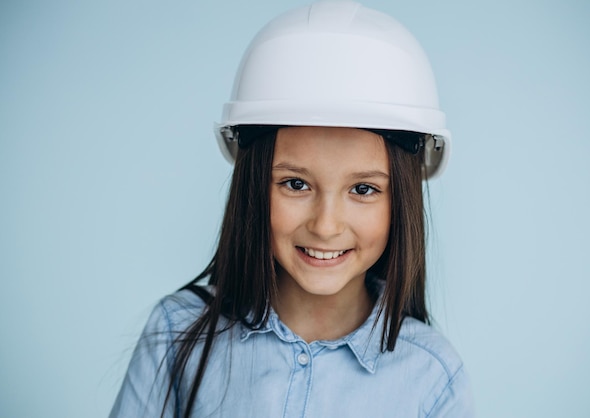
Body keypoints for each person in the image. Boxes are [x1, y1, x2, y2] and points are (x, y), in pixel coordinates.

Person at [110, 1, 474, 417]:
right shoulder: (177, 335)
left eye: (363, 188)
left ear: (402, 200)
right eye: (295, 184)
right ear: (252, 187)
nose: (325, 225)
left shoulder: (432, 377)